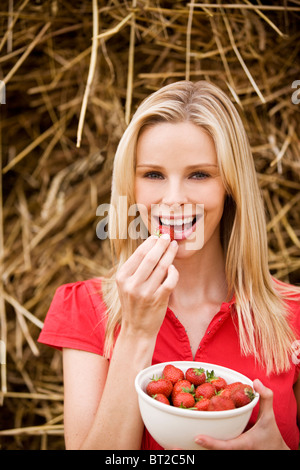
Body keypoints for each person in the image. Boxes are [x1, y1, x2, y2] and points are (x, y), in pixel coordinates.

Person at [38, 80, 300, 450]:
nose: (174, 199)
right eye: (153, 174)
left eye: (199, 174)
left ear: (230, 185)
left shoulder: (293, 316)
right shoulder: (86, 308)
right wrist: (136, 332)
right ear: (131, 185)